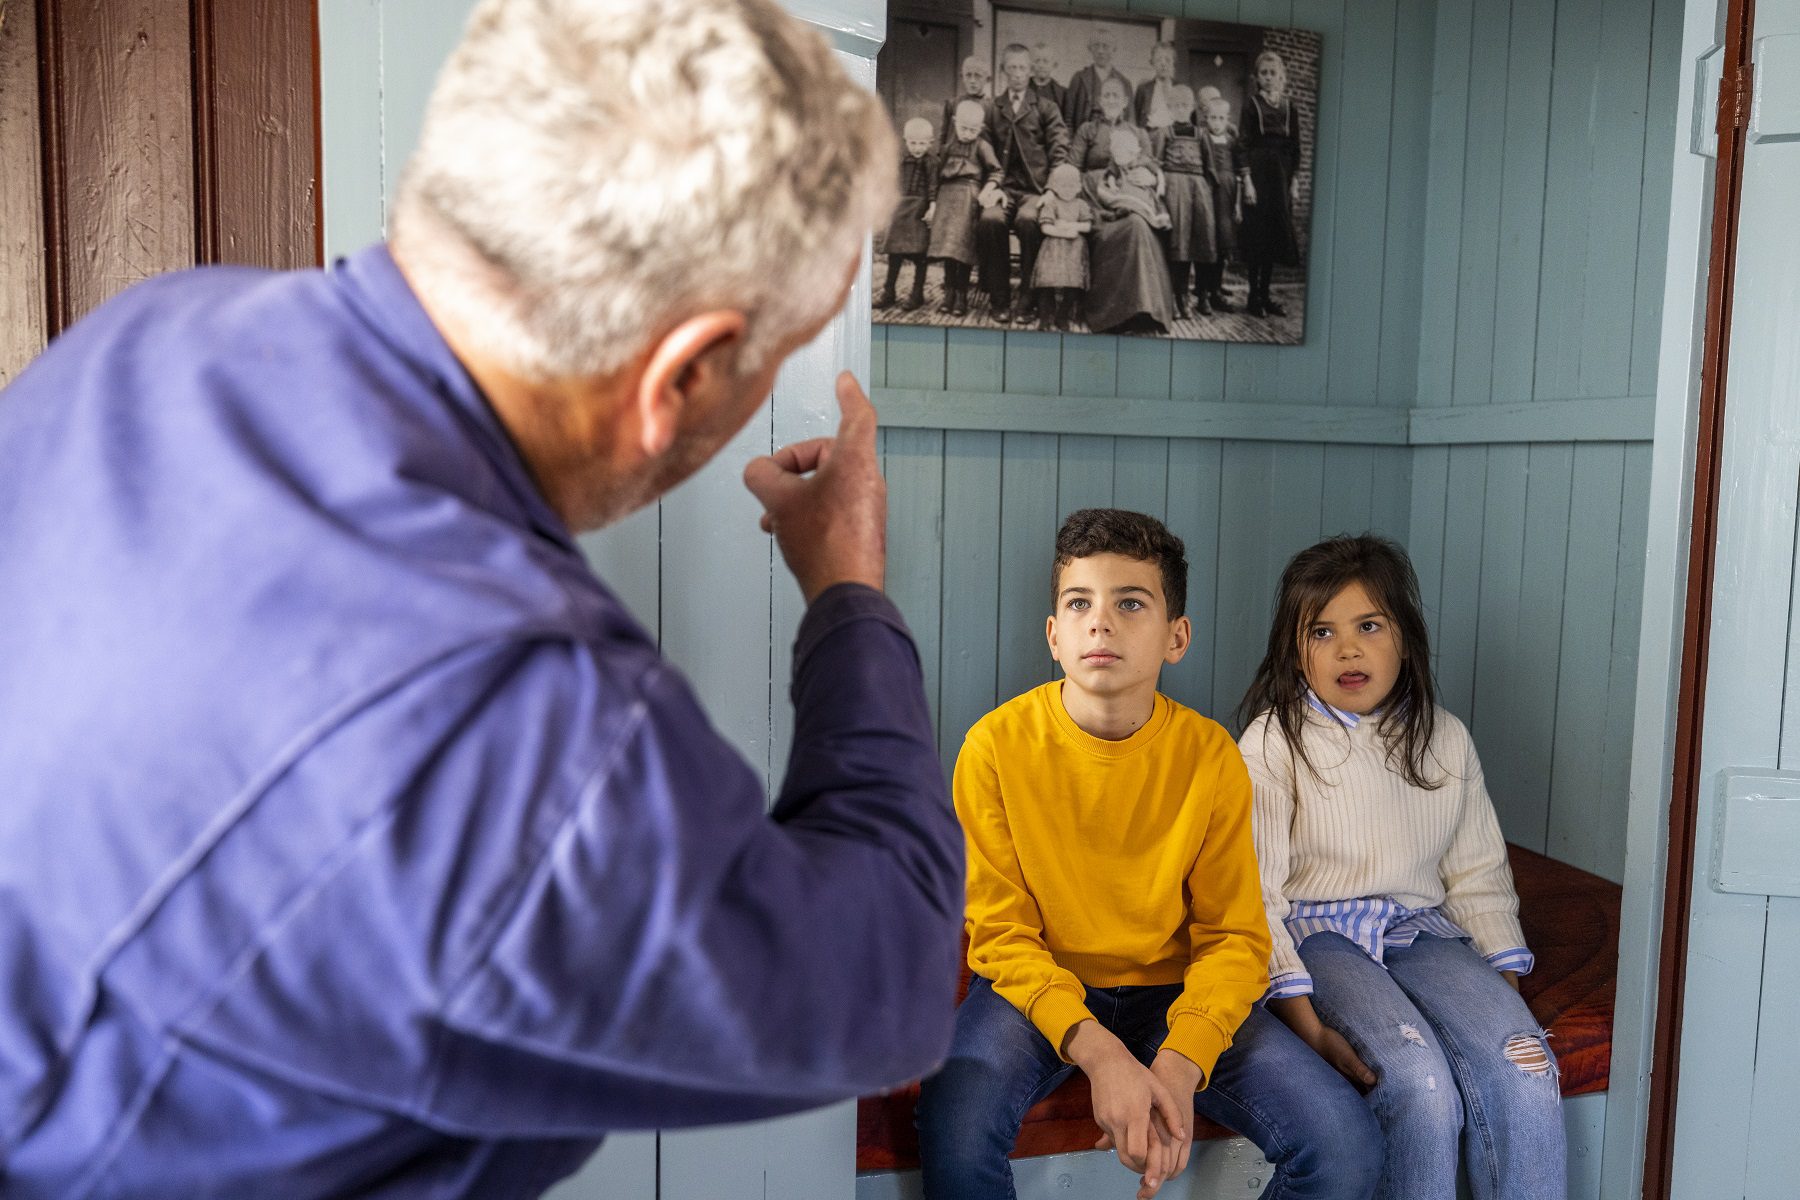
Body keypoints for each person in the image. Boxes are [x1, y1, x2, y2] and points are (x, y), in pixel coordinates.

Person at [0, 1, 967, 1195]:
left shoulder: (144, 340)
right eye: (777, 356)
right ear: (684, 374)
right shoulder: (524, 732)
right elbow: (896, 969)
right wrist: (850, 594)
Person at [916, 509, 1383, 1200]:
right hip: (1037, 991)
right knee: (954, 1128)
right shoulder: (993, 748)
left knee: (1347, 1148)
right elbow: (1000, 934)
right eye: (1080, 604)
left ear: (1176, 637)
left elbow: (1234, 937)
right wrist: (1098, 1052)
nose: (1100, 623)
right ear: (1054, 634)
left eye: (1130, 603)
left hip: (1177, 990)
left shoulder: (1211, 758)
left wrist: (1181, 1063)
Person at [1237, 535, 1565, 1200]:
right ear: (1295, 652)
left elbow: (1477, 872)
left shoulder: (1443, 736)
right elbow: (1254, 895)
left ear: (1405, 641)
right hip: (1318, 937)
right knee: (1418, 1083)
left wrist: (1498, 992)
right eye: (1321, 632)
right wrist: (1307, 1025)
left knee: (1525, 1066)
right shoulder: (1273, 742)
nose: (1347, 649)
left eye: (1368, 626)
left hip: (1421, 930)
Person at [977, 42, 1070, 325]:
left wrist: (1052, 189)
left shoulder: (1046, 107)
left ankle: (1028, 300)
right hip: (1003, 187)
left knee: (1030, 221)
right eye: (1012, 67)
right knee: (990, 220)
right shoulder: (993, 107)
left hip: (1035, 190)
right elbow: (983, 143)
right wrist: (993, 183)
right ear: (1003, 71)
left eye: (1022, 68)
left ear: (1030, 72)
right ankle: (1000, 299)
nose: (1017, 73)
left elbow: (1060, 149)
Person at [1083, 114, 1177, 335]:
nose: (1121, 154)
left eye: (1126, 150)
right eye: (1116, 150)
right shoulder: (1105, 175)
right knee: (1131, 227)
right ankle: (1117, 314)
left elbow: (1156, 176)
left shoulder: (1143, 169)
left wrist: (1155, 180)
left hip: (1140, 217)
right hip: (1108, 215)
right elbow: (1104, 195)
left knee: (1138, 227)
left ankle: (1145, 311)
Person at [1238, 50, 1303, 317]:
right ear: (1257, 77)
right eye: (1263, 73)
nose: (1268, 78)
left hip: (1281, 177)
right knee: (1258, 237)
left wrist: (1294, 181)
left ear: (1282, 78)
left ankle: (1266, 294)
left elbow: (1296, 146)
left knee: (1275, 236)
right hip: (1260, 176)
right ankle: (1253, 296)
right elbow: (1243, 144)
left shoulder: (1291, 108)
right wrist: (1247, 181)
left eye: (1273, 73)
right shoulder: (1251, 105)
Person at [927, 98, 1004, 318]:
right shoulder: (949, 146)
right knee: (947, 249)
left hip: (968, 199)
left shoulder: (982, 146)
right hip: (946, 199)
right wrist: (933, 202)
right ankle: (948, 293)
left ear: (980, 128)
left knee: (963, 248)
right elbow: (936, 173)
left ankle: (961, 294)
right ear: (954, 122)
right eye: (963, 128)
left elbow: (997, 171)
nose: (967, 134)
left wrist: (988, 189)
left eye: (973, 130)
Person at [1154, 85, 1218, 318]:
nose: (1180, 109)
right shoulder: (1164, 132)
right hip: (1174, 190)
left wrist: (1207, 193)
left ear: (1191, 108)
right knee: (1177, 242)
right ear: (1169, 108)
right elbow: (1156, 163)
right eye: (1175, 106)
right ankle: (1176, 296)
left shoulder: (1202, 134)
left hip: (1198, 191)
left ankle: (1196, 296)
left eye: (1184, 105)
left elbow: (1210, 167)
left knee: (1200, 240)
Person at [879, 117, 938, 311]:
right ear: (906, 141)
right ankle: (889, 292)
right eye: (913, 143)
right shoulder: (901, 160)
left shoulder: (931, 162)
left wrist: (932, 206)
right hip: (901, 207)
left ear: (931, 142)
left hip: (920, 209)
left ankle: (917, 292)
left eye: (922, 143)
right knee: (895, 252)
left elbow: (933, 187)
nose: (917, 148)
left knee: (920, 253)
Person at [1031, 162, 1095, 330]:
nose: (1067, 189)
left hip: (1074, 250)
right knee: (1047, 282)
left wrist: (1067, 224)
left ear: (1079, 186)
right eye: (1062, 185)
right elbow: (1045, 227)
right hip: (1053, 248)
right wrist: (1065, 232)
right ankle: (1045, 317)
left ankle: (1063, 316)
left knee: (1072, 282)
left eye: (1072, 185)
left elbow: (1087, 226)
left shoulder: (1081, 205)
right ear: (1055, 187)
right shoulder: (1051, 204)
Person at [1197, 96, 1244, 312]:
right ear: (1206, 119)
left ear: (1227, 120)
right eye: (1213, 118)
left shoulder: (1232, 142)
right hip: (1209, 192)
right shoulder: (1202, 138)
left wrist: (1237, 203)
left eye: (1221, 118)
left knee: (1222, 243)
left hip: (1227, 195)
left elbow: (1239, 171)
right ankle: (1202, 294)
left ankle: (1216, 291)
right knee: (1207, 242)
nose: (1216, 122)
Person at [1063, 26, 1133, 131]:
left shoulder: (1124, 83)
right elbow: (1068, 118)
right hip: (1083, 139)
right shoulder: (1079, 78)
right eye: (1096, 46)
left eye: (1105, 46)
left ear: (1114, 49)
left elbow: (1130, 121)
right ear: (1090, 48)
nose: (1100, 51)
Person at [941, 55, 994, 147]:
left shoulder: (992, 107)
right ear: (962, 77)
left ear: (988, 79)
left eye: (978, 76)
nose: (972, 80)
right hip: (956, 156)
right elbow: (944, 136)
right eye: (968, 75)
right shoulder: (952, 104)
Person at [1133, 41, 1182, 132]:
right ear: (1152, 63)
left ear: (1173, 63)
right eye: (1159, 59)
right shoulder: (1143, 89)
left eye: (1167, 60)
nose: (1163, 64)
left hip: (1174, 136)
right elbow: (1136, 117)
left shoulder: (1180, 89)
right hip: (1150, 136)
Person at [1029, 42, 1068, 119]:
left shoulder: (1063, 93)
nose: (1041, 65)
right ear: (1031, 64)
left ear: (1054, 65)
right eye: (1037, 61)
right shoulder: (1022, 89)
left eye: (1046, 61)